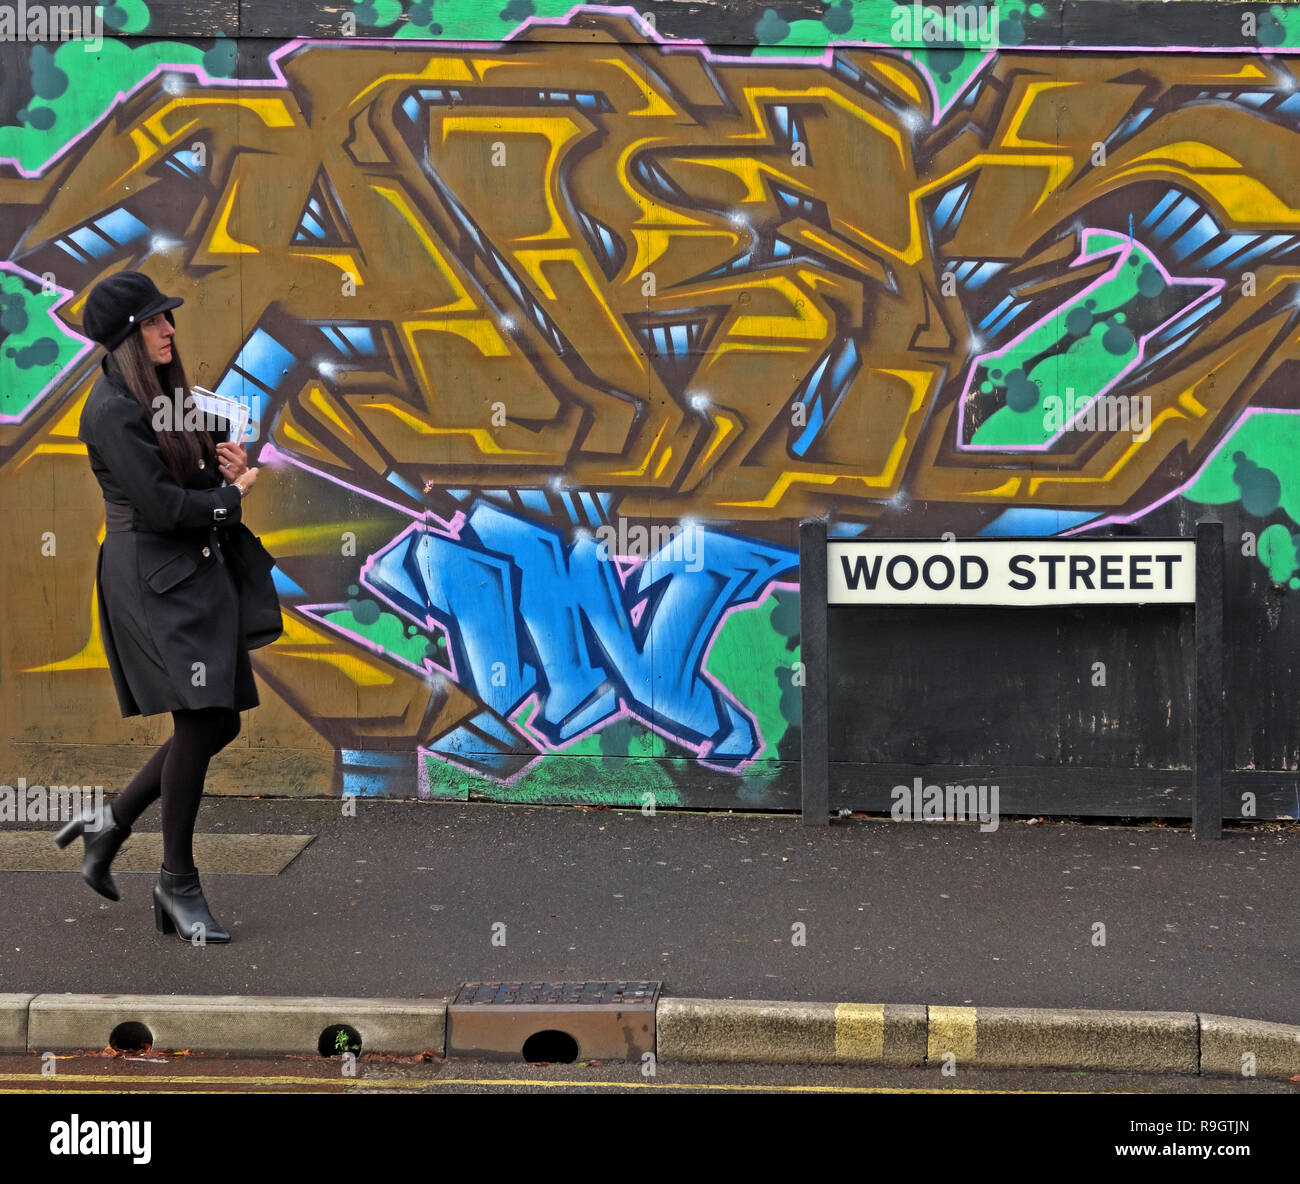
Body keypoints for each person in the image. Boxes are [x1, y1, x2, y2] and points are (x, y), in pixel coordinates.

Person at [54, 270, 262, 945]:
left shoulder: (163, 397)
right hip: (152, 581)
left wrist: (222, 474)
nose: (168, 328)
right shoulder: (112, 411)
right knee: (203, 719)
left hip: (189, 575)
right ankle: (177, 883)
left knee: (217, 721)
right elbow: (163, 508)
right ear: (125, 339)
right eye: (152, 322)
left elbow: (190, 481)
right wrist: (233, 499)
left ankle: (109, 823)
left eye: (166, 318)